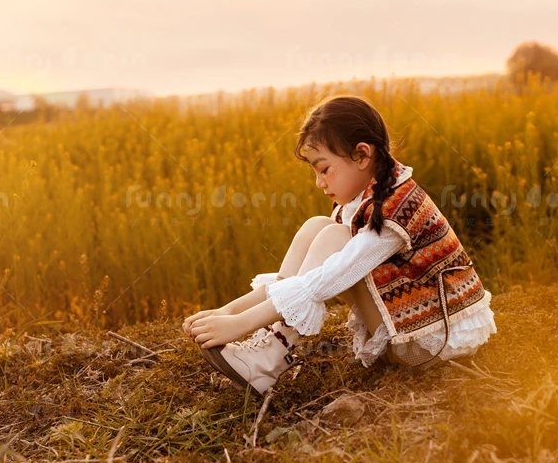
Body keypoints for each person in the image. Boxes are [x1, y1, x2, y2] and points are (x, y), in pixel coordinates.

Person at [183, 95, 497, 394]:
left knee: (334, 238)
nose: (319, 182)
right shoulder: (379, 193)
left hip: (429, 342)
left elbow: (323, 282)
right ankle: (271, 343)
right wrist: (228, 310)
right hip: (415, 327)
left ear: (362, 155)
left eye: (324, 169)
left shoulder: (395, 213)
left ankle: (270, 355)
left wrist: (239, 324)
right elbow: (300, 279)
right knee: (317, 227)